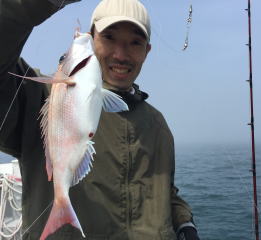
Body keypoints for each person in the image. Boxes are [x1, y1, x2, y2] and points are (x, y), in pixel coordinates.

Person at [0, 0, 200, 239]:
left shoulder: (157, 124)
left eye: (134, 42)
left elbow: (164, 191)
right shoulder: (40, 97)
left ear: (147, 51)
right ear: (91, 39)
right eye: (109, 38)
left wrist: (184, 223)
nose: (120, 54)